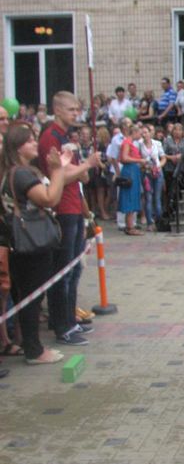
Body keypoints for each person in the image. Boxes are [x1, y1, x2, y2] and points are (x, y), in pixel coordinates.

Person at [2, 122, 72, 364]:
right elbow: (50, 198)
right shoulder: (21, 173)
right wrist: (58, 170)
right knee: (31, 296)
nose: (36, 143)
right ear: (19, 147)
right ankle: (35, 350)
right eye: (30, 140)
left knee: (26, 295)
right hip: (31, 243)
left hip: (20, 243)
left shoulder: (13, 172)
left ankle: (28, 343)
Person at [37, 92, 101, 346]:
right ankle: (61, 324)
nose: (76, 113)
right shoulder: (50, 137)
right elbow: (61, 174)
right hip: (62, 208)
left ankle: (69, 318)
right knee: (62, 271)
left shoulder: (66, 138)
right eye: (72, 109)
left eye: (78, 109)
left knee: (74, 270)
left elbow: (77, 175)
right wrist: (86, 165)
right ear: (58, 110)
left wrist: (82, 169)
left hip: (75, 205)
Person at [118, 124, 146, 235]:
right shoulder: (127, 143)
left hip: (133, 170)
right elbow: (124, 158)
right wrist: (139, 160)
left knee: (132, 196)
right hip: (130, 171)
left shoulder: (129, 143)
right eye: (139, 132)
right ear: (133, 132)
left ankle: (129, 225)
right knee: (130, 197)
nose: (140, 135)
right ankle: (130, 227)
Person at [138, 125, 166, 231]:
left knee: (157, 197)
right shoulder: (140, 145)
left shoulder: (157, 144)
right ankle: (150, 222)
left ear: (150, 133)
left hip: (157, 172)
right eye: (142, 133)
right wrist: (143, 165)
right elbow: (139, 159)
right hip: (146, 173)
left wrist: (158, 166)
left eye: (145, 132)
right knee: (148, 197)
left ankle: (159, 221)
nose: (144, 135)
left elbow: (163, 158)